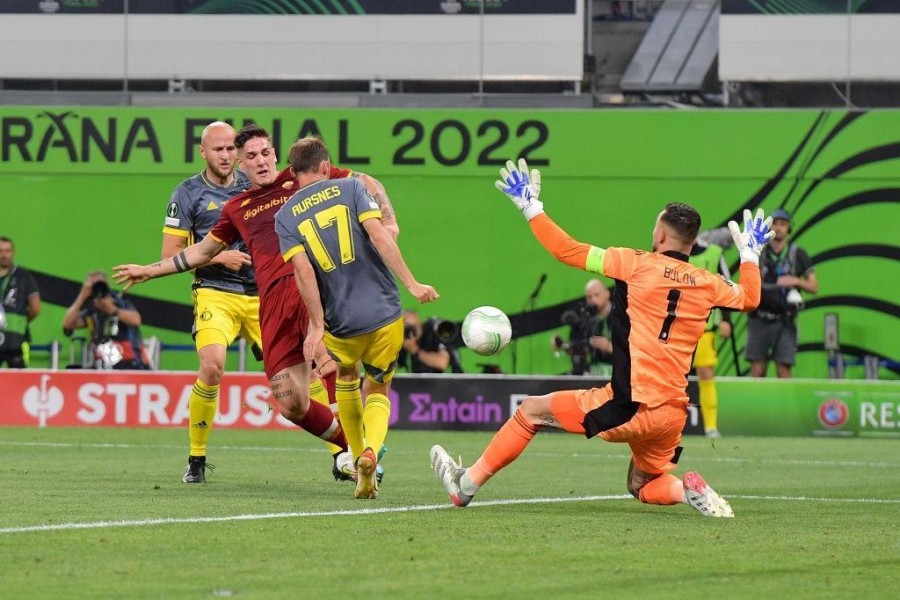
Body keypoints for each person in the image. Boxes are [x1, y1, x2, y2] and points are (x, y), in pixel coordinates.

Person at [431, 158, 774, 518]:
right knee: (641, 484)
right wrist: (750, 255)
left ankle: (464, 485)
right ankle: (687, 492)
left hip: (627, 406)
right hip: (672, 412)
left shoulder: (633, 263)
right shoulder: (708, 283)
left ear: (660, 235)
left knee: (531, 411)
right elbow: (750, 298)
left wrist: (531, 206)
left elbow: (566, 249)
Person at [114, 124, 355, 476]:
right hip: (229, 295)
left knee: (319, 359)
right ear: (210, 154)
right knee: (251, 384)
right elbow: (192, 251)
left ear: (274, 154)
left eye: (261, 153)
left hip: (287, 292)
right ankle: (198, 457)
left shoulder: (290, 180)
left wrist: (384, 222)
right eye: (243, 155)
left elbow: (354, 183)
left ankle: (348, 453)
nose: (233, 157)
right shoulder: (211, 200)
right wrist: (153, 270)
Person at [275, 135, 439, 499]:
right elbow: (380, 235)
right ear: (324, 167)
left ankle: (353, 450)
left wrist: (316, 327)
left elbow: (303, 274)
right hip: (383, 313)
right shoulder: (349, 188)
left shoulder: (285, 217)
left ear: (293, 172)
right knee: (379, 387)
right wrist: (411, 283)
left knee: (346, 379)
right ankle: (370, 452)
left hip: (341, 323)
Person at [162, 121, 264, 483]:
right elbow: (171, 253)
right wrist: (220, 257)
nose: (226, 155)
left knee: (306, 373)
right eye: (217, 149)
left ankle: (340, 456)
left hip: (261, 295)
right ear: (203, 152)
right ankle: (197, 459)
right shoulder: (187, 193)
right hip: (214, 292)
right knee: (213, 365)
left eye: (230, 149)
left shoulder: (254, 186)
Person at [746, 208, 818, 378]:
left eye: (783, 224)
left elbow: (814, 286)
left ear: (789, 228)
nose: (778, 228)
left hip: (785, 320)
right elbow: (748, 280)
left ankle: (786, 405)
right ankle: (755, 405)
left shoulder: (797, 253)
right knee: (757, 368)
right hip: (759, 317)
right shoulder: (758, 252)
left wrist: (795, 280)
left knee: (783, 369)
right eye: (775, 224)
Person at [688, 236, 733, 437]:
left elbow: (726, 286)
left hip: (705, 327)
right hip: (677, 326)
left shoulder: (714, 253)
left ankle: (711, 427)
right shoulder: (670, 252)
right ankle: (665, 427)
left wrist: (726, 319)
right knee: (672, 377)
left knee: (706, 372)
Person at [62, 271, 150, 370]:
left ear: (107, 285)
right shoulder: (91, 310)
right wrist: (82, 297)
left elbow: (136, 320)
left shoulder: (120, 303)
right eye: (94, 285)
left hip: (130, 362)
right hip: (102, 363)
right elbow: (68, 324)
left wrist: (112, 309)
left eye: (101, 284)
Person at [552, 278, 613, 376]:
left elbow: (635, 350)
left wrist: (609, 346)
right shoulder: (586, 319)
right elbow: (580, 349)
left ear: (607, 294)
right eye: (589, 297)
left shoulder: (622, 316)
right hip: (594, 376)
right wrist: (562, 344)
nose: (593, 300)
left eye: (597, 295)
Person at [0, 236, 41, 368]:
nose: (4, 255)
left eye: (7, 251)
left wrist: (21, 320)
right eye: (0, 251)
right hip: (12, 337)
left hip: (17, 340)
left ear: (13, 253)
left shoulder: (24, 276)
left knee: (19, 380)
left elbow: (36, 308)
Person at [399, 309, 461, 374]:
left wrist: (414, 350)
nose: (410, 331)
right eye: (406, 327)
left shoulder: (433, 333)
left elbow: (442, 363)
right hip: (418, 382)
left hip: (447, 381)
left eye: (412, 327)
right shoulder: (404, 340)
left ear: (418, 323)